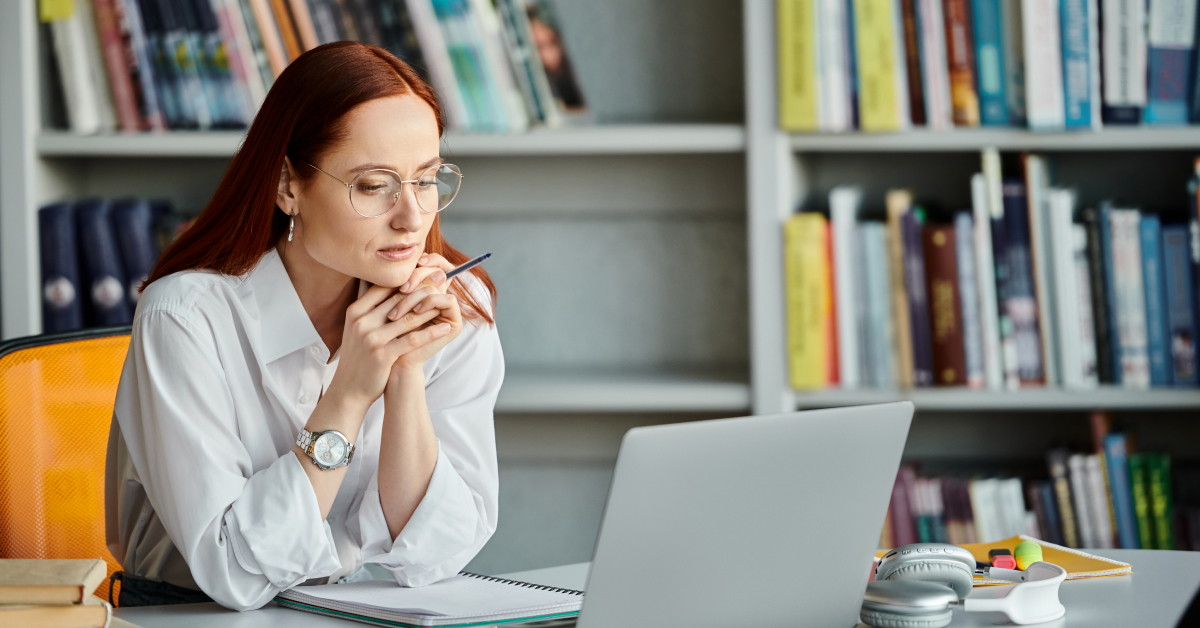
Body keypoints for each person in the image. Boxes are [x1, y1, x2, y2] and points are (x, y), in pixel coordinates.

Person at [103, 42, 503, 611]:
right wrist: (350, 392)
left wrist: (405, 373)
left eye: (426, 179)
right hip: (186, 615)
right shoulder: (185, 317)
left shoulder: (454, 309)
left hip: (353, 611)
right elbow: (234, 576)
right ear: (289, 185)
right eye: (373, 185)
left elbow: (436, 553)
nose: (413, 217)